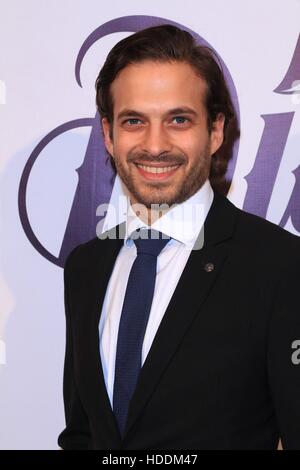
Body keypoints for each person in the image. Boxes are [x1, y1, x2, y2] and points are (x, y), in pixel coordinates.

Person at [58, 25, 300, 450]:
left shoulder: (281, 267)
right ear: (108, 135)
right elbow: (83, 434)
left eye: (179, 119)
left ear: (217, 130)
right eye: (134, 120)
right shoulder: (85, 266)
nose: (155, 145)